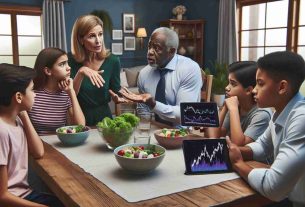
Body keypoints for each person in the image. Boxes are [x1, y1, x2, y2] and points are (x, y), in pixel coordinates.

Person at [226, 51, 305, 206]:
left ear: (282, 87)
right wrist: (234, 150)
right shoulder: (281, 109)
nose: (254, 90)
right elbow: (263, 145)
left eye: (260, 83)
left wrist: (238, 164)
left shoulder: (301, 118)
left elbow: (273, 187)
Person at [0, 63, 64, 206]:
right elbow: (2, 196)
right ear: (18, 96)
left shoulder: (16, 119)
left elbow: (38, 152)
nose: (35, 94)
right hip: (12, 200)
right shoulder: (2, 131)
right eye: (32, 90)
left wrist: (23, 113)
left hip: (24, 193)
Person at [111, 27, 202, 126]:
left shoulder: (189, 69)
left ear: (171, 51)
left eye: (156, 48)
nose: (150, 52)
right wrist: (144, 128)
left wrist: (153, 104)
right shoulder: (144, 74)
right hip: (157, 130)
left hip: (184, 133)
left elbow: (186, 114)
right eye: (149, 46)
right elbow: (143, 110)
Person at [69, 14, 121, 126]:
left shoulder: (113, 61)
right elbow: (68, 95)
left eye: (100, 34)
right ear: (80, 39)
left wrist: (118, 97)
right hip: (78, 119)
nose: (98, 41)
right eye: (92, 36)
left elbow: (116, 91)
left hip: (105, 121)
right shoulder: (69, 61)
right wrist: (81, 72)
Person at [206, 61, 272, 146]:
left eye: (233, 84)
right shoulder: (235, 104)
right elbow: (214, 136)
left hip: (254, 159)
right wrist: (225, 108)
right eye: (228, 82)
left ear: (248, 90)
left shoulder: (262, 114)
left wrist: (233, 109)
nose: (227, 87)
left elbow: (239, 145)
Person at [28, 47, 85, 135]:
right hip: (36, 144)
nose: (69, 68)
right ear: (48, 71)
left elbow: (80, 127)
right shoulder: (31, 94)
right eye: (62, 64)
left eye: (67, 63)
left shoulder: (66, 94)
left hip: (59, 144)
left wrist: (71, 92)